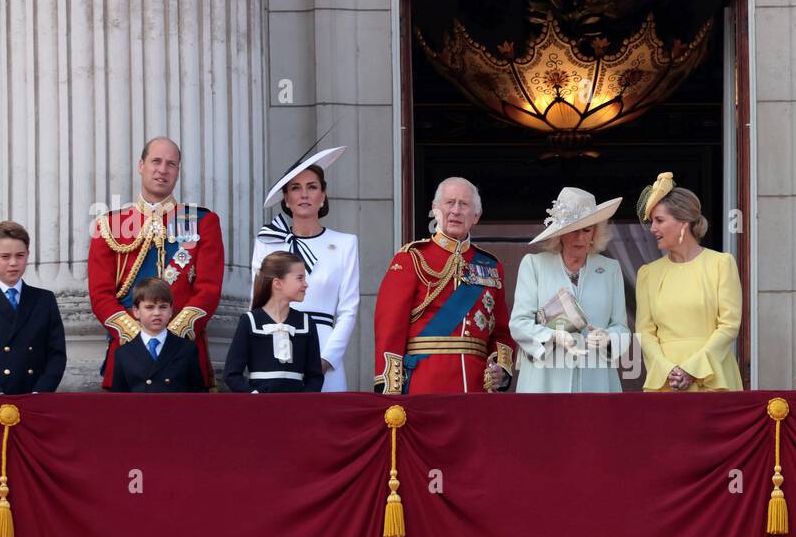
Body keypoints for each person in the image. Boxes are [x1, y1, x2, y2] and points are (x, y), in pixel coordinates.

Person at [87, 136, 224, 389]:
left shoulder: (203, 221)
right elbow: (100, 294)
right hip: (128, 354)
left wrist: (171, 335)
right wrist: (137, 334)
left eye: (171, 164)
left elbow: (209, 289)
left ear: (178, 171)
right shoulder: (109, 225)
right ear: (141, 165)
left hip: (184, 353)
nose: (163, 170)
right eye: (156, 161)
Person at [373, 177, 515, 394]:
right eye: (449, 203)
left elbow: (502, 333)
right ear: (435, 210)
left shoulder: (491, 266)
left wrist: (500, 369)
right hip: (424, 382)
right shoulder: (411, 258)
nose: (456, 211)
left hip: (477, 387)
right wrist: (389, 388)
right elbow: (389, 327)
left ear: (476, 216)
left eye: (464, 204)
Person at [251, 146, 358, 392]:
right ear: (286, 198)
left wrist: (327, 359)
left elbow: (348, 309)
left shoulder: (345, 244)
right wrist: (262, 354)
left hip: (324, 348)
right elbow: (256, 304)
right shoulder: (268, 242)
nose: (304, 195)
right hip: (276, 346)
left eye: (312, 187)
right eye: (295, 188)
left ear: (323, 195)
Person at [509, 187, 630, 393]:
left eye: (586, 230)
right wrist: (553, 336)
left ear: (594, 233)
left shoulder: (611, 269)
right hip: (544, 383)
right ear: (561, 234)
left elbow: (622, 329)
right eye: (574, 230)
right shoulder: (534, 265)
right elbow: (519, 324)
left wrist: (608, 337)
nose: (580, 238)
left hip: (596, 380)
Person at [633, 172, 742, 392]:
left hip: (713, 376)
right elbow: (644, 332)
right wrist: (668, 369)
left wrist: (692, 368)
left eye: (659, 220)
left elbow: (729, 325)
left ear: (683, 222)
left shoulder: (721, 263)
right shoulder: (647, 273)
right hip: (666, 381)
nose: (652, 228)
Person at [0, 221, 66, 394]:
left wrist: (40, 392)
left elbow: (57, 354)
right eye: (5, 256)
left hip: (35, 398)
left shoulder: (45, 300)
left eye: (20, 255)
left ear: (28, 255)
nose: (14, 262)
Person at [224, 252, 324, 393]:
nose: (306, 284)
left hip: (296, 408)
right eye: (300, 278)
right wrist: (254, 396)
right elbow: (232, 374)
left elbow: (315, 376)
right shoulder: (250, 321)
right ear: (277, 283)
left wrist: (303, 402)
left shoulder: (306, 323)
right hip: (259, 408)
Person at [109, 278, 206, 393]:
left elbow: (198, 396)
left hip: (176, 410)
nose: (157, 313)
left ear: (170, 310)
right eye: (149, 307)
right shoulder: (123, 353)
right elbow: (119, 401)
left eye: (163, 307)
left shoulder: (187, 349)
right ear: (136, 311)